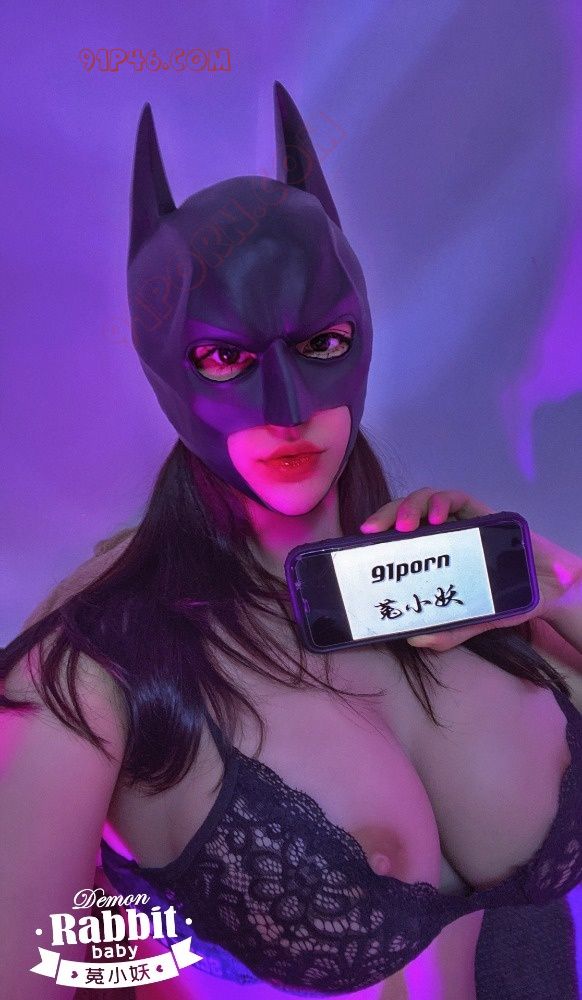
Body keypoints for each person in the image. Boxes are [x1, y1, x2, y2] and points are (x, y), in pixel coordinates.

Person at [2, 81, 582, 1000]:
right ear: (166, 366)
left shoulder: (478, 593)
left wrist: (554, 586)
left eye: (320, 344)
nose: (286, 409)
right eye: (227, 357)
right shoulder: (100, 663)